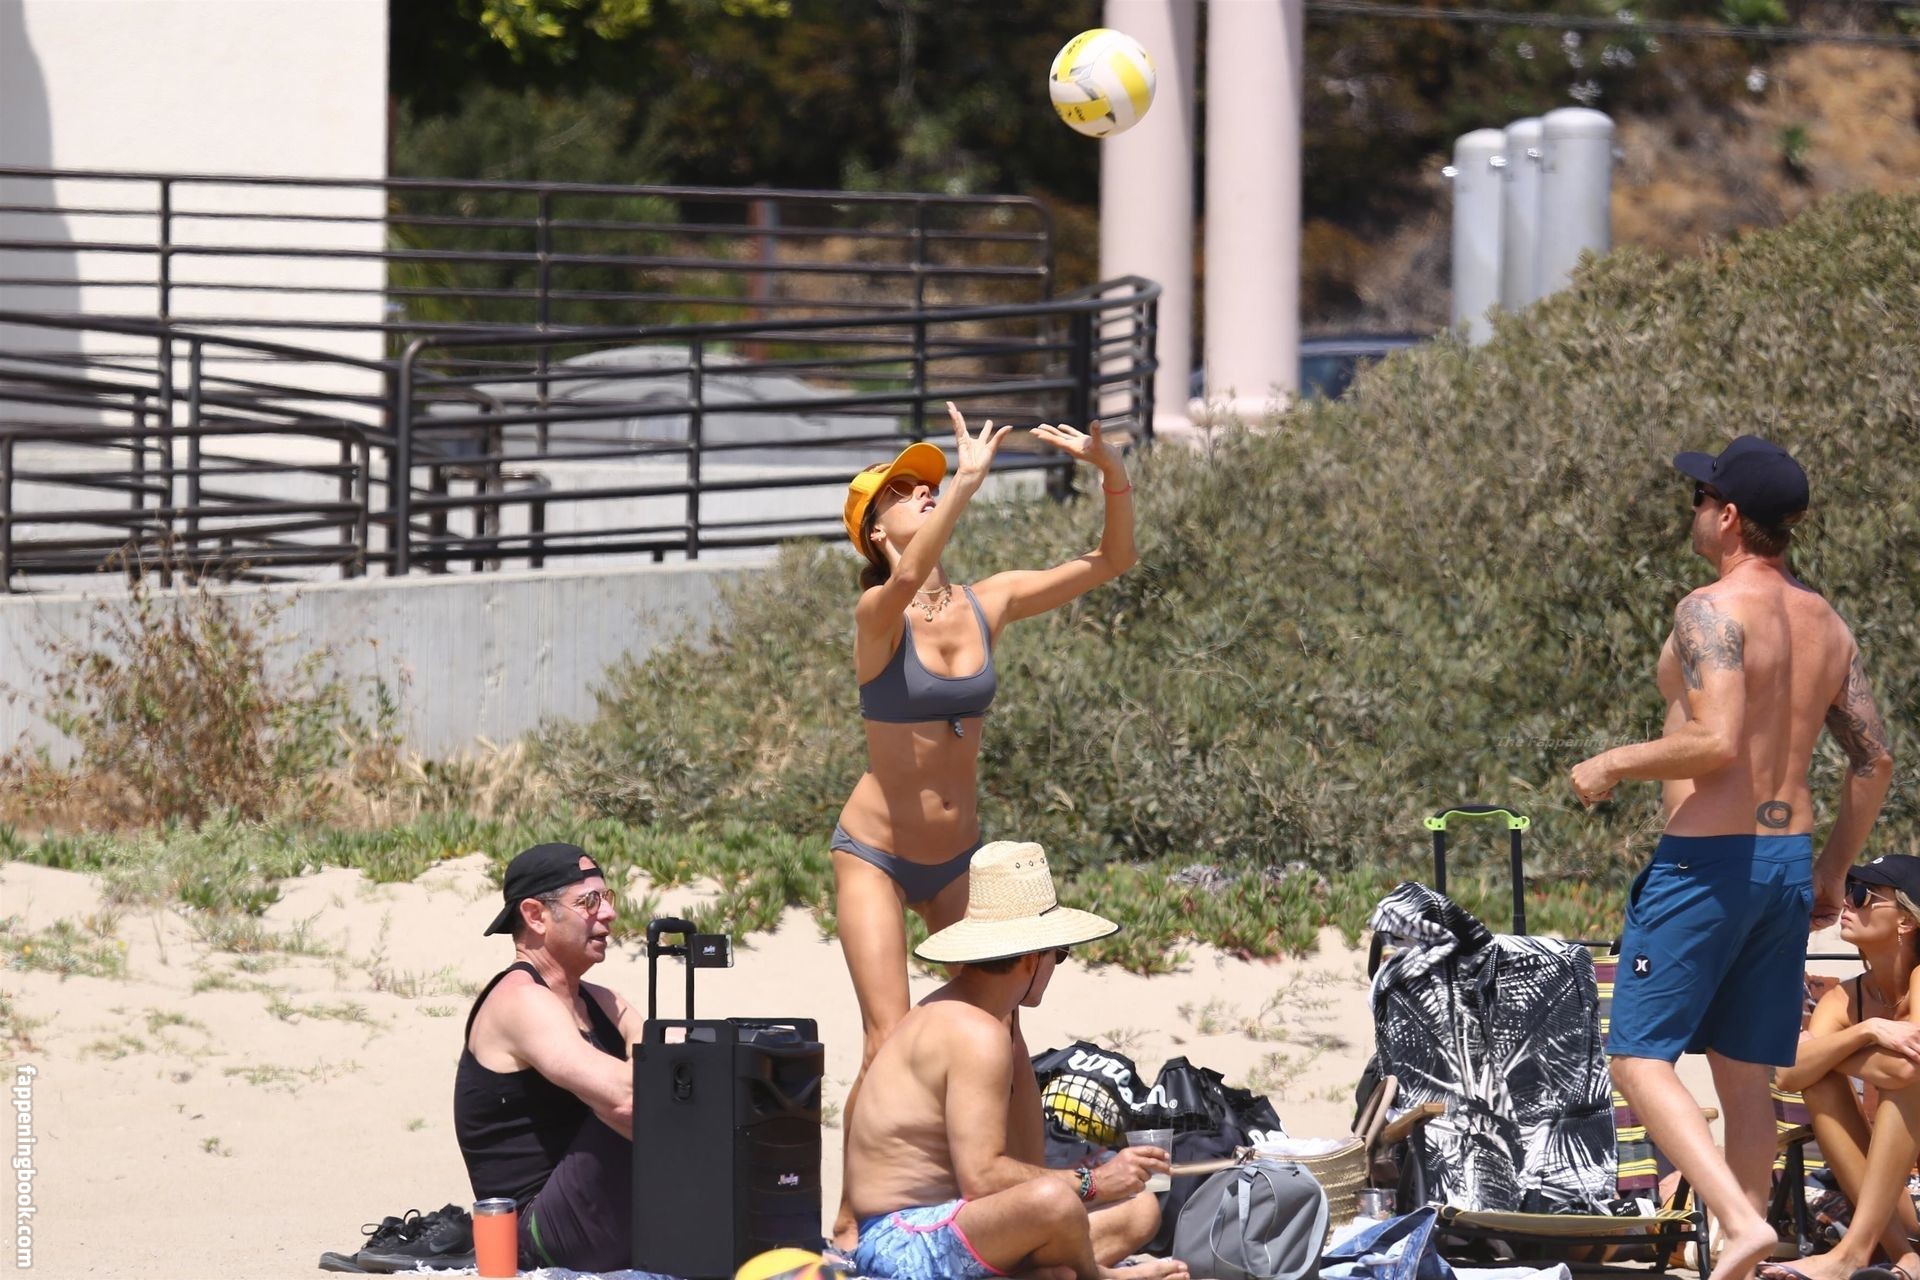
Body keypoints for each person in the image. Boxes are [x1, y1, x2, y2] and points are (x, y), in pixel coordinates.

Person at [1570, 435, 1895, 1280]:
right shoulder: (1826, 623)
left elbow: (1715, 740)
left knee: (1637, 1060)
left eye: (1700, 498)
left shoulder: (1710, 608)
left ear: (1729, 517)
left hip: (1706, 865)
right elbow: (1875, 762)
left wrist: (1612, 763)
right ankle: (1742, 1253)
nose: (1693, 511)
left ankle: (1739, 1225)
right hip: (1784, 866)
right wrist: (1833, 869)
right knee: (1746, 1076)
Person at [832, 401, 1137, 1242]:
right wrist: (967, 484)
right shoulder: (876, 616)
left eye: (930, 484)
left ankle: (1035, 1207)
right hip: (876, 851)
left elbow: (1113, 560)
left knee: (1004, 1032)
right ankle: (853, 1222)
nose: (924, 491)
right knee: (887, 1037)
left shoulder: (987, 601)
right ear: (876, 532)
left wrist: (1112, 473)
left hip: (957, 854)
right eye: (903, 492)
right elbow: (903, 584)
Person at [843, 839, 1187, 1280]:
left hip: (964, 1226)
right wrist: (1096, 1182)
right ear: (1030, 958)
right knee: (1056, 1202)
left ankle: (1059, 1272)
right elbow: (983, 1178)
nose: (1057, 965)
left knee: (1138, 1209)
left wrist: (1096, 1183)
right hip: (903, 1243)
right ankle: (1098, 1276)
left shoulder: (995, 1024)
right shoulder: (974, 1032)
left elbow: (1026, 1159)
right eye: (1058, 954)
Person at [453, 842, 640, 1274]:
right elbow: (629, 1099)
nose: (609, 914)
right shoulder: (520, 1000)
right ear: (536, 915)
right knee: (636, 1107)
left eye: (607, 898)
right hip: (536, 1234)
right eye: (589, 902)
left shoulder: (604, 1001)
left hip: (593, 1213)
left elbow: (677, 1063)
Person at [1768, 857, 1920, 1280]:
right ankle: (1901, 1256)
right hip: (1894, 1203)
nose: (1846, 902)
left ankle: (1856, 1251)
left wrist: (1826, 1051)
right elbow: (1788, 1075)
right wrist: (1866, 1031)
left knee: (1899, 1076)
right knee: (1818, 1082)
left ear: (1907, 920)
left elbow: (1905, 1073)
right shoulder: (1845, 999)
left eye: (1862, 894)